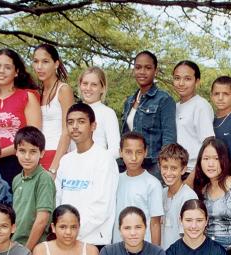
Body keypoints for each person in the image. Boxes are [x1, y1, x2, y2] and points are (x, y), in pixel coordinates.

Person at [0, 48, 41, 189]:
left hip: (20, 164)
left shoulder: (27, 97)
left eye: (7, 67)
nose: (1, 71)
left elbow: (34, 136)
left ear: (16, 72)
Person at [54, 103, 119, 246]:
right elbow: (58, 199)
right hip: (65, 240)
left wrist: (73, 232)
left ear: (93, 126)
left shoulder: (104, 159)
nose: (75, 126)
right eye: (70, 122)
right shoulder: (65, 161)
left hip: (93, 241)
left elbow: (102, 208)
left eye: (81, 121)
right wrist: (63, 232)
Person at [121, 50, 176, 179]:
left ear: (155, 71)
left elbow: (169, 139)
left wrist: (163, 168)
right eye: (138, 67)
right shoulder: (129, 101)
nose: (142, 71)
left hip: (153, 166)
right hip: (131, 165)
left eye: (148, 68)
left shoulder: (164, 99)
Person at [192, 137, 231, 249]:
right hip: (208, 251)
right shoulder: (203, 190)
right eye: (206, 158)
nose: (210, 164)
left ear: (225, 160)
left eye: (216, 158)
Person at [112, 132, 164, 245]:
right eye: (128, 152)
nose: (134, 158)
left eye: (139, 152)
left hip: (143, 248)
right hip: (118, 246)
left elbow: (155, 223)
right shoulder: (115, 180)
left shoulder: (152, 184)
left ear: (145, 152)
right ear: (120, 152)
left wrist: (155, 253)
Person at [11, 126, 55, 251]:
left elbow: (42, 219)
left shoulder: (44, 178)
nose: (27, 156)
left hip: (35, 247)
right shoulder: (16, 179)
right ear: (16, 152)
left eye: (33, 151)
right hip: (16, 243)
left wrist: (27, 250)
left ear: (42, 153)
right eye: (22, 151)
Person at [32, 44, 73, 175]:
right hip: (36, 155)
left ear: (56, 64)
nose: (39, 67)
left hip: (56, 154)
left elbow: (67, 131)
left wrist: (54, 168)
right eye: (36, 61)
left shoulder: (63, 90)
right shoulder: (36, 92)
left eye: (45, 62)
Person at [172, 60, 215, 173]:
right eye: (177, 78)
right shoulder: (175, 107)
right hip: (176, 170)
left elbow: (208, 144)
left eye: (187, 79)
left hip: (193, 171)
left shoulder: (200, 105)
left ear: (197, 81)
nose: (181, 83)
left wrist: (193, 176)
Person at [159, 143, 198, 250]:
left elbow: (189, 236)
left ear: (183, 169)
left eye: (174, 168)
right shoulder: (161, 193)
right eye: (165, 167)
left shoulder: (188, 197)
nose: (168, 173)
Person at [78, 66, 121, 158]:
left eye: (94, 85)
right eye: (85, 83)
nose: (88, 88)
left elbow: (116, 149)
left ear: (102, 88)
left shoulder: (107, 113)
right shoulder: (73, 111)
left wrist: (96, 161)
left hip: (98, 164)